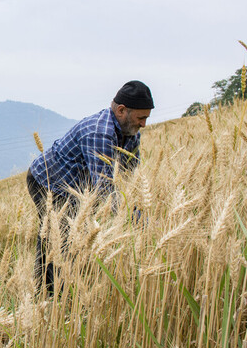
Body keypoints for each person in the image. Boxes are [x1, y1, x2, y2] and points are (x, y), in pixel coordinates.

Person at [27, 80, 154, 293]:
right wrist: (133, 218)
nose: (144, 124)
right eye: (141, 118)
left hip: (77, 187)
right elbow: (104, 187)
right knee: (58, 238)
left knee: (78, 235)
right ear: (122, 110)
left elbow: (132, 176)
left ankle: (67, 288)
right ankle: (48, 295)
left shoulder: (131, 133)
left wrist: (140, 209)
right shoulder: (99, 132)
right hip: (48, 181)